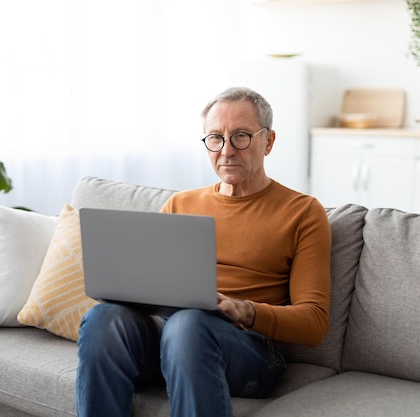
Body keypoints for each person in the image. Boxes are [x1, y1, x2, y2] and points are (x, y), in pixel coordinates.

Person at [75, 86, 332, 417]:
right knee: (103, 318)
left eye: (240, 136)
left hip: (250, 351)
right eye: (215, 138)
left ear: (268, 141)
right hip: (172, 338)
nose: (226, 151)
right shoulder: (181, 204)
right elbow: (153, 288)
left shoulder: (303, 212)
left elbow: (314, 323)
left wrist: (245, 310)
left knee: (189, 325)